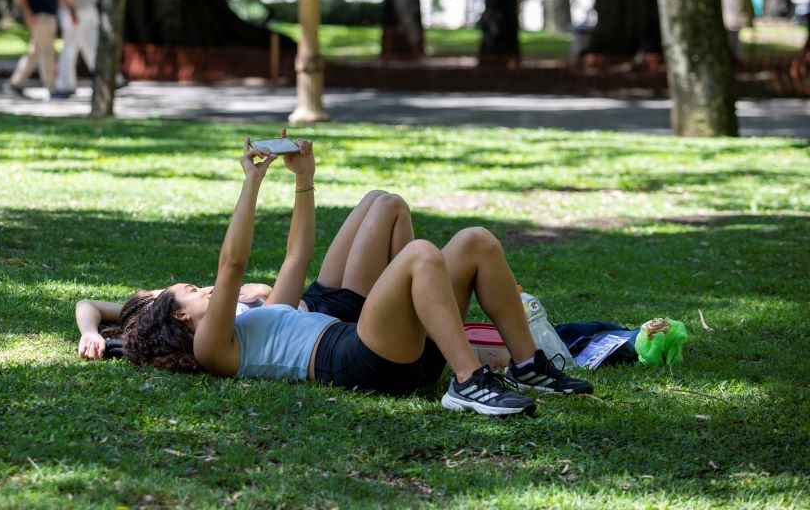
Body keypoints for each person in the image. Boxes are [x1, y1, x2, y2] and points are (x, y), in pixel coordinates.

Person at [76, 139, 592, 417]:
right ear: (181, 318)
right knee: (418, 255)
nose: (202, 288)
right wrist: (250, 183)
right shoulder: (214, 349)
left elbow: (297, 256)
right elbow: (231, 265)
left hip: (380, 348)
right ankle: (467, 383)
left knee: (475, 241)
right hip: (357, 361)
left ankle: (528, 367)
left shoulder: (242, 320)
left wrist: (304, 180)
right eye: (189, 293)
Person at [53, 0, 98, 99]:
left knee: (91, 45)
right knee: (70, 47)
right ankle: (65, 85)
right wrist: (72, 13)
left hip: (88, 12)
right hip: (75, 14)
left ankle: (106, 78)